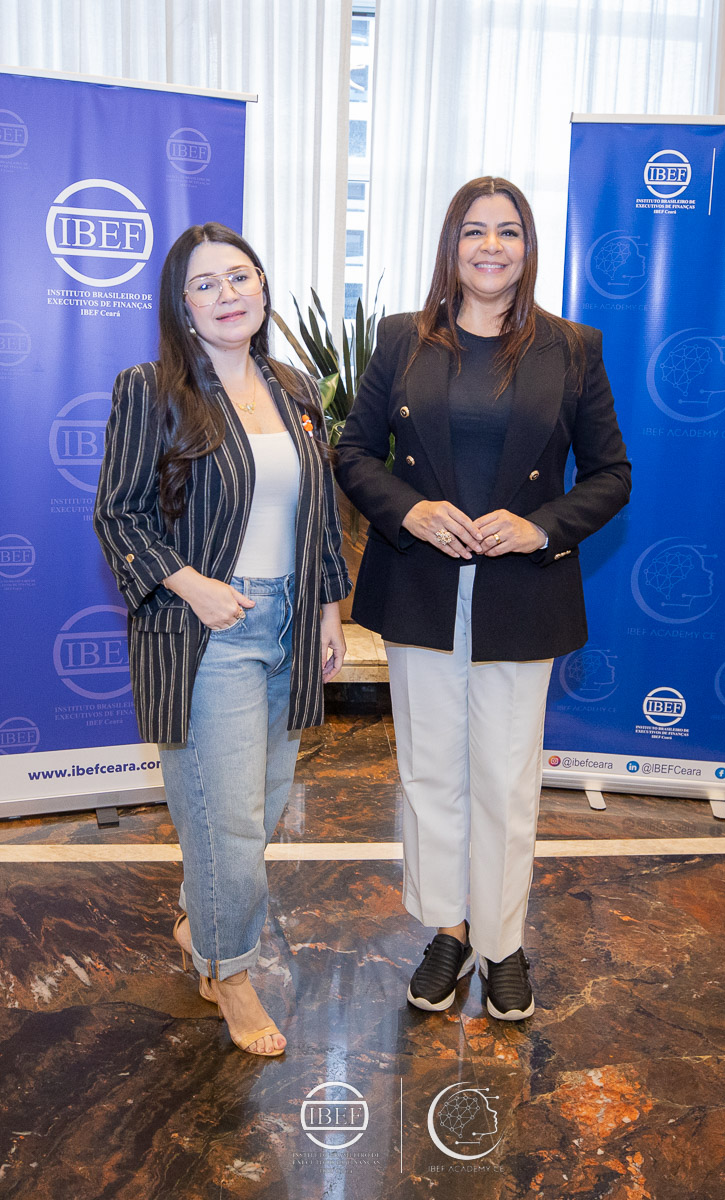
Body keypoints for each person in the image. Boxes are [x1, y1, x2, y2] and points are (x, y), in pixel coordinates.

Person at [335, 177, 630, 1021]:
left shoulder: (573, 348)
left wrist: (541, 527)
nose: (490, 246)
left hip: (520, 593)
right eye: (474, 231)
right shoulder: (402, 338)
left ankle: (504, 944)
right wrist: (410, 510)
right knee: (430, 771)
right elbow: (353, 452)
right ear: (451, 245)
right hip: (420, 586)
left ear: (528, 247)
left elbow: (611, 474)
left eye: (508, 231)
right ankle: (449, 931)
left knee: (505, 778)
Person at [94, 223, 350, 1056]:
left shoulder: (294, 386)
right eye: (204, 284)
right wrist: (193, 585)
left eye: (240, 277)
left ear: (263, 288)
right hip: (209, 631)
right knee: (229, 824)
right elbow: (119, 514)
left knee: (258, 810)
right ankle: (229, 974)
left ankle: (199, 924)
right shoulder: (152, 389)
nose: (227, 294)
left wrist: (328, 610)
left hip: (289, 621)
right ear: (181, 305)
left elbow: (318, 512)